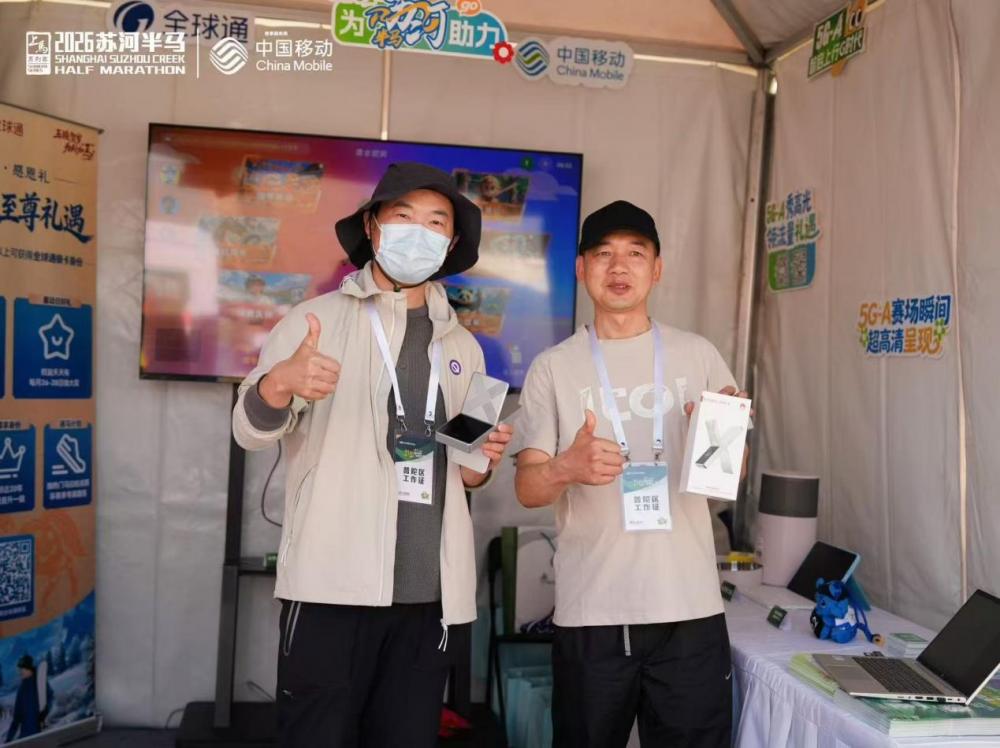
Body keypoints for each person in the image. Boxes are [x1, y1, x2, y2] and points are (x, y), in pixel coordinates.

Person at [232, 162, 513, 747]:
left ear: (451, 243)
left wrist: (484, 458)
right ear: (372, 226)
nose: (419, 232)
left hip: (427, 598)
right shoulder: (315, 321)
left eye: (436, 222)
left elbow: (466, 474)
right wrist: (278, 384)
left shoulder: (464, 348)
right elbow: (249, 430)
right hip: (329, 587)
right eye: (403, 216)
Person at [513, 200, 750, 748]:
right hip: (593, 612)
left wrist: (716, 434)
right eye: (603, 254)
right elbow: (527, 488)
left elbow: (726, 478)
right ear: (581, 268)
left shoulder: (697, 354)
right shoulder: (554, 366)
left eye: (635, 254)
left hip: (689, 609)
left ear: (657, 268)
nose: (619, 267)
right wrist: (567, 466)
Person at [5, 655, 52, 742]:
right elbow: (16, 718)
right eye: (19, 669)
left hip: (39, 732)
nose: (19, 672)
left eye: (22, 669)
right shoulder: (21, 690)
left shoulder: (40, 682)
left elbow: (50, 697)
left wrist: (46, 710)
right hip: (26, 736)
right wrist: (8, 740)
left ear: (28, 669)